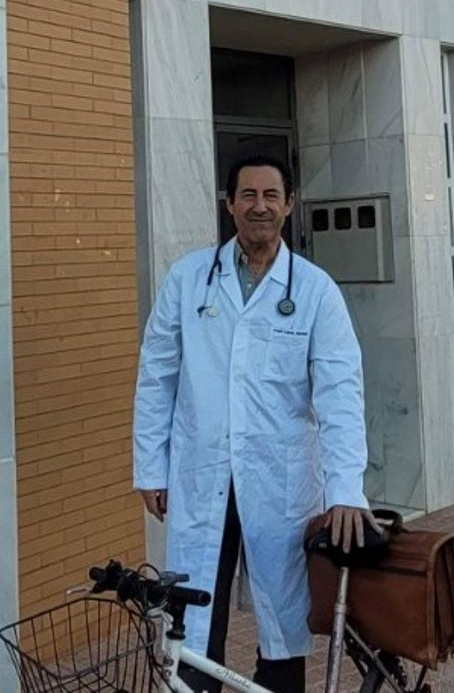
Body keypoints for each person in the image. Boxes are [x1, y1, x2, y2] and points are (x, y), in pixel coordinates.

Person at [134, 154, 374, 692]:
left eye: (271, 196)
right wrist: (152, 466)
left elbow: (340, 395)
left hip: (279, 478)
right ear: (229, 205)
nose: (258, 206)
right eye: (247, 195)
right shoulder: (188, 279)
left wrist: (344, 488)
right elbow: (157, 375)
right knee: (193, 616)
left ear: (288, 205)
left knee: (282, 619)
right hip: (203, 471)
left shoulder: (314, 291)